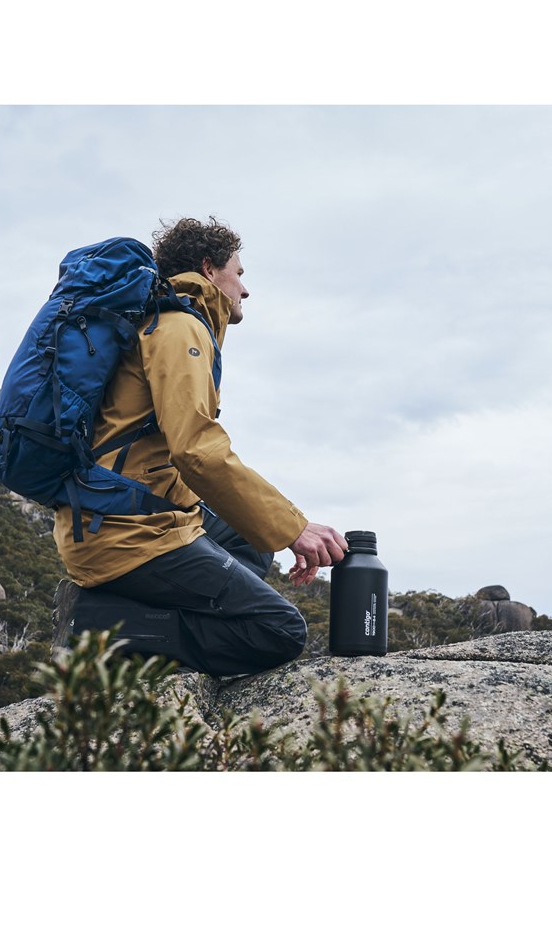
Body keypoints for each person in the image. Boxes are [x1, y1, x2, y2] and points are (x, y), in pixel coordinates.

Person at [50, 216, 347, 677]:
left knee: (251, 540)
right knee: (279, 630)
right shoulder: (179, 328)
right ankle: (98, 623)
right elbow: (196, 451)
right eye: (238, 273)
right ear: (209, 269)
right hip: (126, 530)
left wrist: (273, 529)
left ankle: (139, 614)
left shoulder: (160, 321)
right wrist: (295, 528)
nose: (245, 289)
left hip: (112, 513)